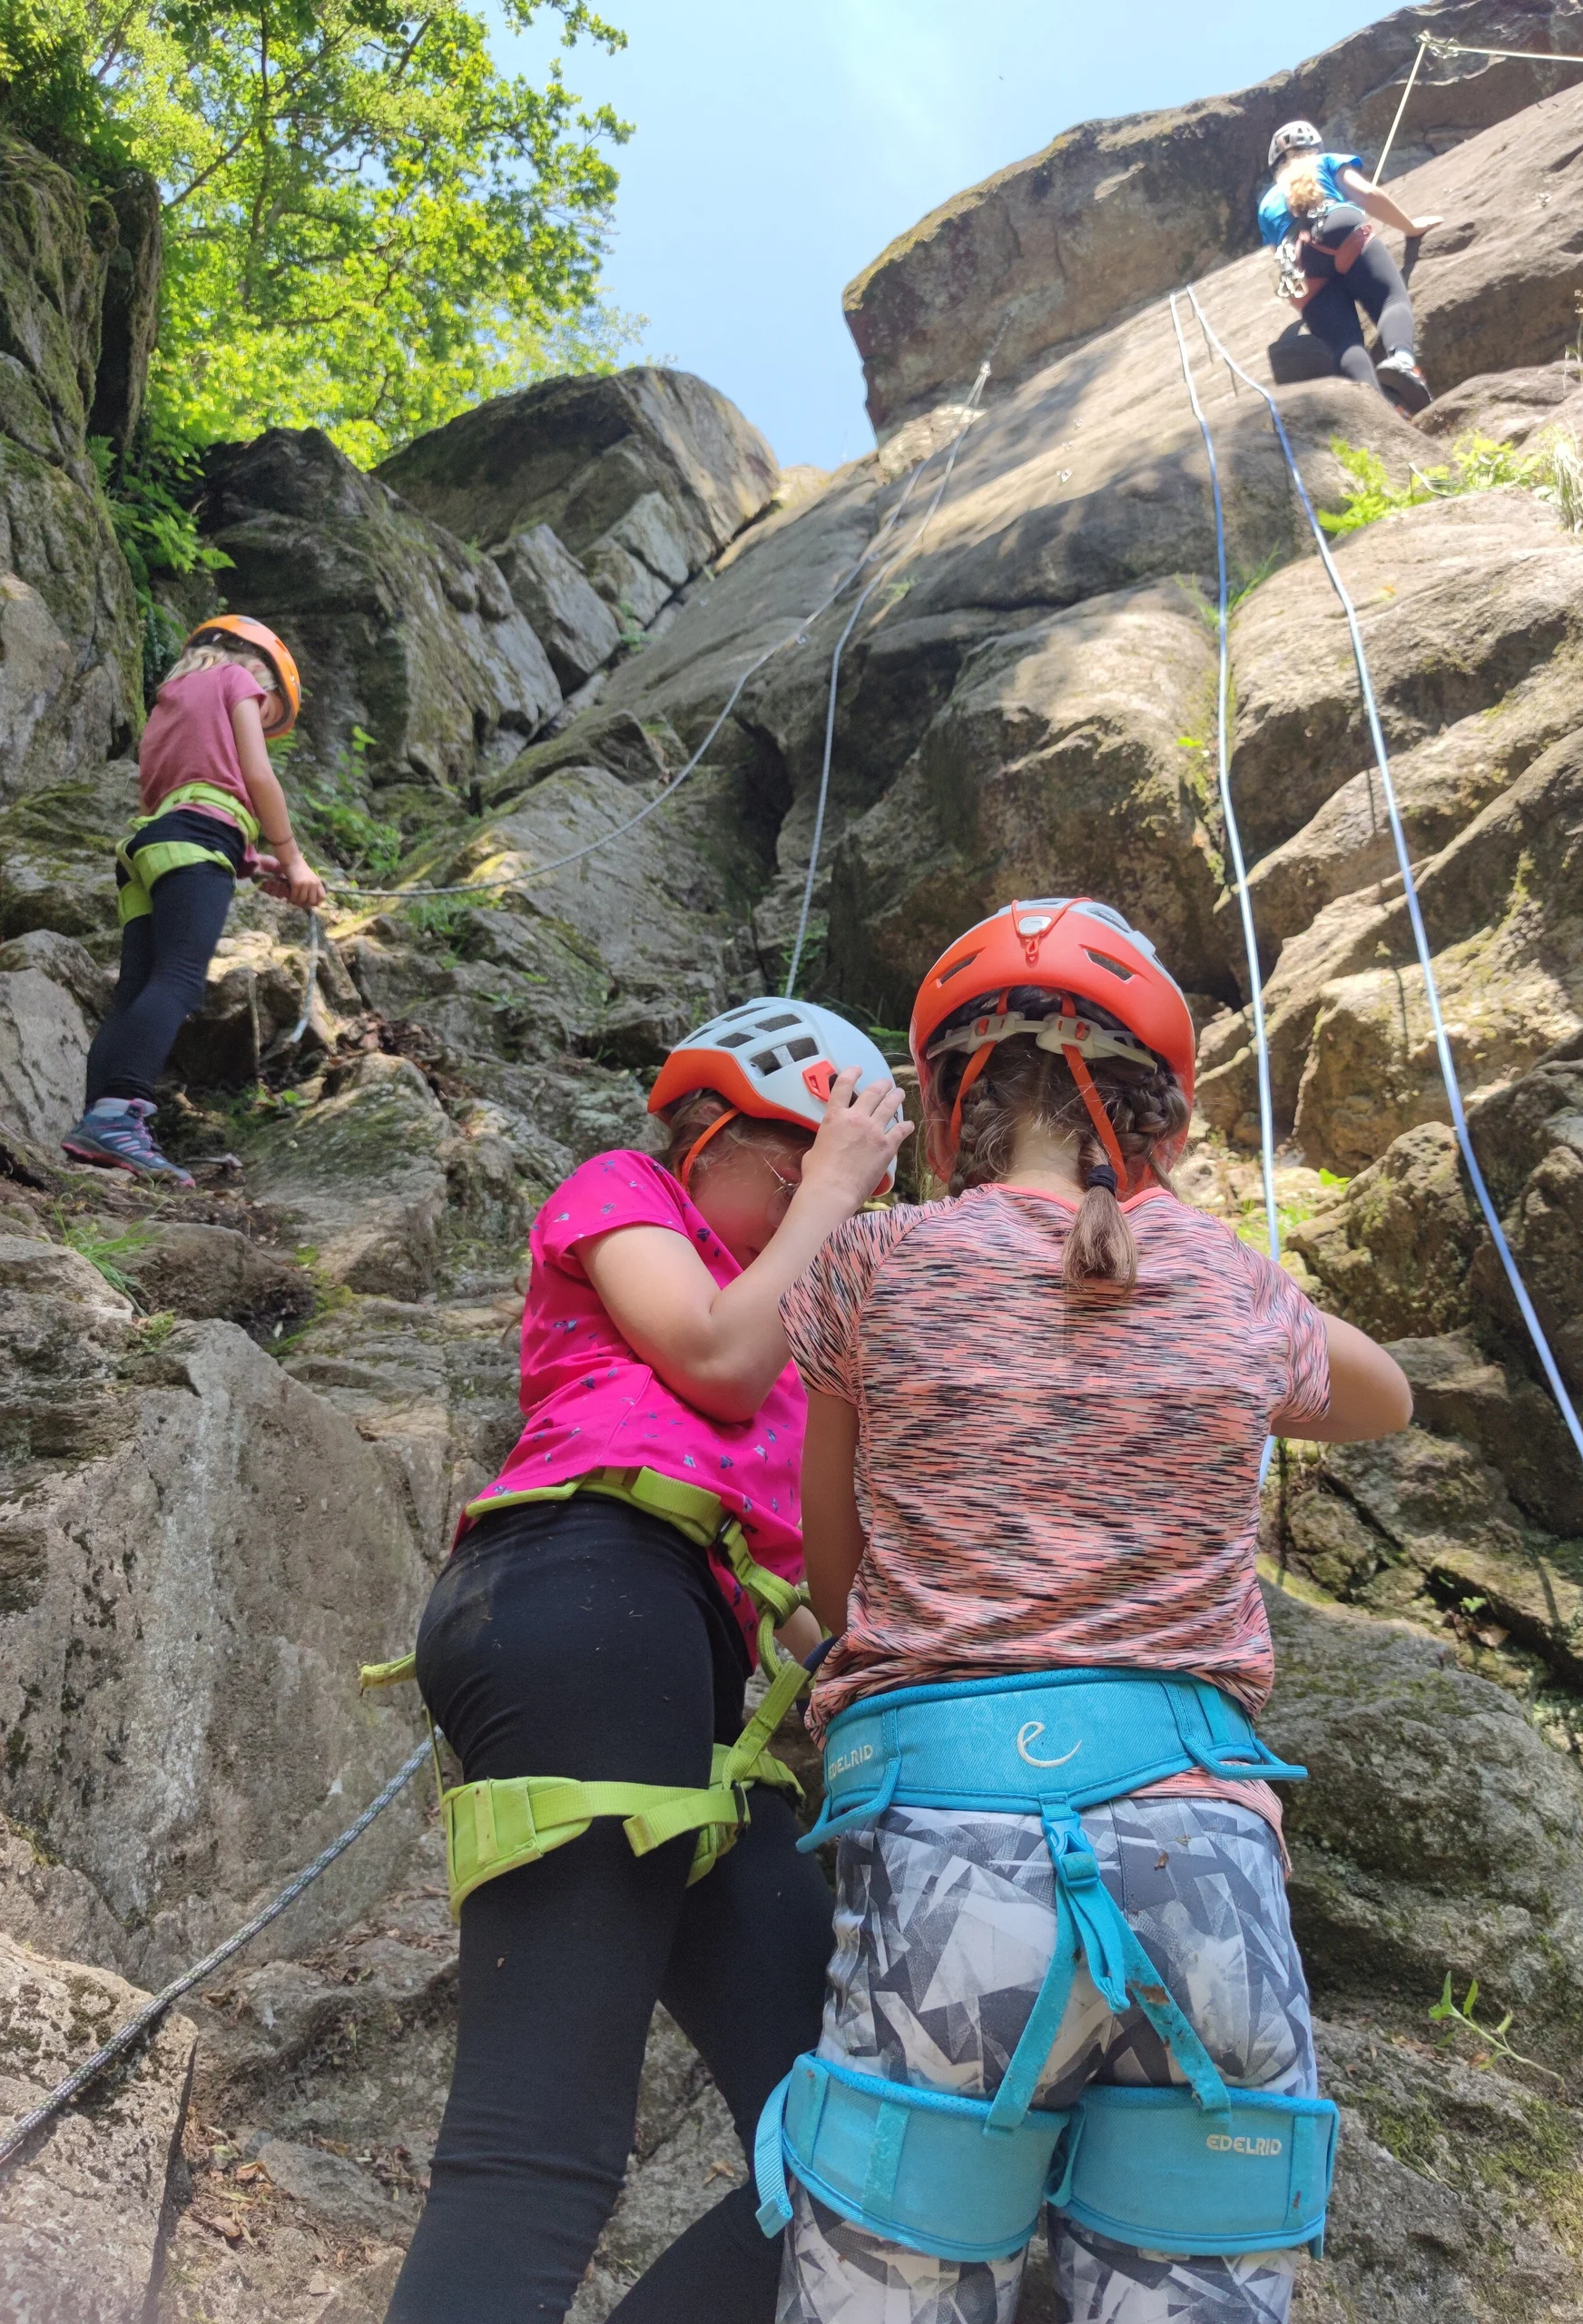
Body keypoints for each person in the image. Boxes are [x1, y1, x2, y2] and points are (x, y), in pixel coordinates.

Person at [753, 899, 1413, 2324]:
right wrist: (1182, 1233)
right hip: (1208, 1864)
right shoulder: (1226, 1281)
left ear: (948, 1111)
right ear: (1162, 1125)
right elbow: (1384, 1397)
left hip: (952, 1856)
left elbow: (832, 1578)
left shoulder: (872, 1268)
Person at [385, 1000, 912, 2324]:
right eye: (796, 1174)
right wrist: (838, 1190)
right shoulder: (625, 1194)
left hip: (685, 1671)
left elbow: (800, 1606)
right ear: (714, 1134)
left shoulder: (800, 1336)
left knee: (863, 2132)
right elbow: (714, 1359)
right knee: (543, 2142)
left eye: (836, 1189)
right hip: (577, 1591)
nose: (822, 1210)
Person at [61, 615, 324, 1187]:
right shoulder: (239, 682)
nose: (262, 712)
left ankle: (98, 1123)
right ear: (261, 670)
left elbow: (189, 795)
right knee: (178, 979)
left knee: (135, 988)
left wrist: (255, 863)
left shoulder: (172, 698)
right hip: (197, 840)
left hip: (149, 844)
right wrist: (294, 856)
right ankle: (119, 1116)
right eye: (270, 708)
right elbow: (255, 776)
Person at [1258, 117, 1441, 415]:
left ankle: (1381, 412)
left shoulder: (1266, 203)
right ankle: (1402, 362)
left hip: (1299, 260)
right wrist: (1410, 227)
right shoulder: (1327, 161)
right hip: (1338, 226)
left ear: (1276, 165)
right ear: (1314, 146)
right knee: (1390, 300)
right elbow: (1367, 195)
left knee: (1343, 342)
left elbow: (1276, 255)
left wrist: (1305, 302)